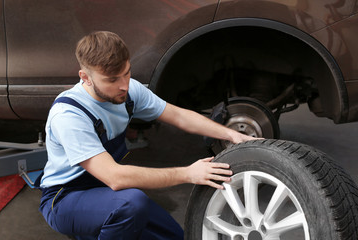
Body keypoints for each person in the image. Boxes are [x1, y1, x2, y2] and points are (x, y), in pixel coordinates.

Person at [37, 31, 257, 240]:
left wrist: (231, 135)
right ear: (85, 77)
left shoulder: (129, 90)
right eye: (112, 79)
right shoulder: (69, 115)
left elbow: (178, 116)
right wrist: (189, 173)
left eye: (127, 73)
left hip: (104, 191)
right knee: (130, 205)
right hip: (65, 199)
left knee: (176, 236)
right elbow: (115, 177)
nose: (124, 85)